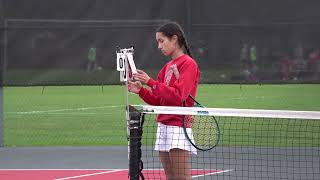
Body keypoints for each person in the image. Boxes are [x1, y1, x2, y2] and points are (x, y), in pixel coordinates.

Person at [128, 22, 200, 180]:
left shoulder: (189, 64)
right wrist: (140, 90)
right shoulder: (166, 67)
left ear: (174, 39)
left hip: (178, 126)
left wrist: (151, 82)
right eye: (157, 42)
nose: (159, 46)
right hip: (163, 126)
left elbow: (179, 96)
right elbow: (158, 101)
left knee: (181, 177)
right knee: (170, 177)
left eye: (161, 41)